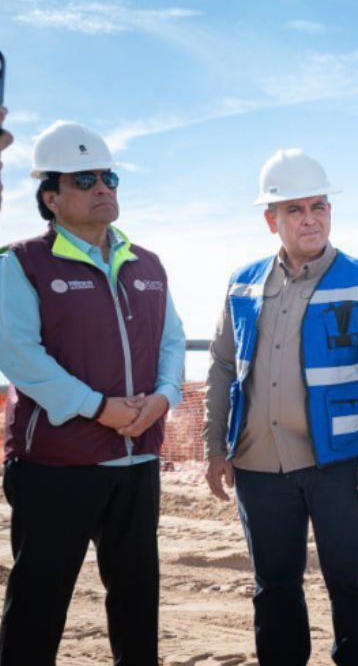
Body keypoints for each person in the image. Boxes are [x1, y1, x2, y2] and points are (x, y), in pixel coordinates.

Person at [203, 148, 358, 665]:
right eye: (295, 209)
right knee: (273, 587)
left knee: (351, 583)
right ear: (272, 220)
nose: (310, 218)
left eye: (319, 206)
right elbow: (222, 366)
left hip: (341, 463)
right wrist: (214, 446)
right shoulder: (243, 283)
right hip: (259, 466)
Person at [0, 120, 185, 664]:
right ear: (50, 198)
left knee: (136, 603)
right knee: (37, 605)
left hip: (137, 461)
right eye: (84, 180)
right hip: (55, 465)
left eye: (109, 177)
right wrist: (98, 408)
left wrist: (164, 397)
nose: (102, 187)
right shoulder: (20, 264)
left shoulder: (147, 264)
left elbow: (172, 341)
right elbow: (19, 355)